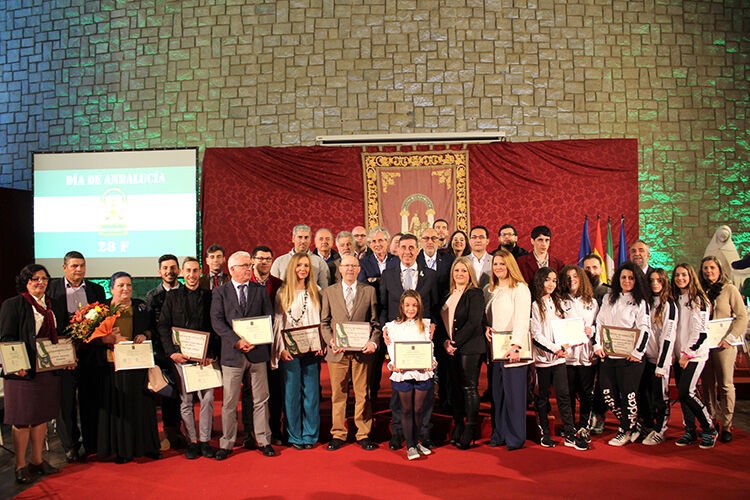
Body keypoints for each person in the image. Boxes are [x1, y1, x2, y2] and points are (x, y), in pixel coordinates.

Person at [211, 251, 276, 459]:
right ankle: (227, 443)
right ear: (232, 270)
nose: (250, 268)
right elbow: (217, 322)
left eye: (250, 265)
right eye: (245, 265)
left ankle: (263, 440)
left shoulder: (260, 290)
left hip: (257, 353)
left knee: (261, 399)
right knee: (230, 402)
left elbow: (269, 317)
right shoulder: (220, 292)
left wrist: (257, 339)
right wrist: (237, 341)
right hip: (232, 354)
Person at [0, 264, 62, 483]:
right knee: (22, 419)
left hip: (46, 370)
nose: (40, 282)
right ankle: (20, 465)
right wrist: (16, 364)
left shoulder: (52, 305)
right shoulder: (13, 305)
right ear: (25, 282)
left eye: (44, 278)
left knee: (41, 416)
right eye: (35, 279)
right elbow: (6, 338)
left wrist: (66, 359)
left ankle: (37, 460)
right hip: (22, 373)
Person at [379, 234, 439, 449]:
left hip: (422, 337)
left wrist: (434, 324)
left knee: (425, 393)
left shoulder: (430, 275)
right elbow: (383, 307)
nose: (407, 251)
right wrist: (384, 329)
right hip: (397, 339)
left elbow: (435, 305)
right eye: (403, 247)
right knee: (400, 391)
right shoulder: (388, 275)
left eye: (412, 247)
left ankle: (424, 434)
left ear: (418, 249)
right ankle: (398, 433)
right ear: (397, 250)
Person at [47, 250, 107, 462]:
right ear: (64, 268)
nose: (78, 270)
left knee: (91, 400)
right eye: (74, 266)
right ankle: (70, 445)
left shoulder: (96, 289)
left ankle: (92, 443)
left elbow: (103, 323)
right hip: (63, 356)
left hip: (90, 354)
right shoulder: (51, 289)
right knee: (66, 404)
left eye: (82, 265)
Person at [158, 257, 218, 459]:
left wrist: (211, 354)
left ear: (200, 272)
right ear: (182, 273)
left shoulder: (210, 296)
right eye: (188, 271)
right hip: (181, 358)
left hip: (205, 359)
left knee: (208, 399)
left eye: (195, 270)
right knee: (186, 401)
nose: (192, 275)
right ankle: (192, 442)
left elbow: (215, 327)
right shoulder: (172, 297)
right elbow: (163, 326)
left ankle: (205, 441)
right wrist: (172, 353)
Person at [97, 271, 161, 463]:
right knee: (121, 407)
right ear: (111, 289)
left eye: (129, 285)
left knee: (143, 406)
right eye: (121, 285)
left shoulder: (141, 306)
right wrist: (104, 339)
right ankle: (123, 450)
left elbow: (153, 329)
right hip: (113, 367)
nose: (126, 289)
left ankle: (147, 447)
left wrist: (145, 335)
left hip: (138, 365)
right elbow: (90, 338)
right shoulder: (101, 310)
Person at [320, 255, 380, 451]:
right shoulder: (329, 292)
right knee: (338, 394)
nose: (350, 269)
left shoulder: (369, 291)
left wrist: (372, 341)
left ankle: (363, 433)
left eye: (354, 266)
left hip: (361, 353)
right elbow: (324, 323)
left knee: (363, 393)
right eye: (346, 266)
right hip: (338, 352)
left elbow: (375, 323)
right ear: (340, 269)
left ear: (359, 269)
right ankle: (338, 433)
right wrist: (331, 341)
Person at [529, 267, 589, 450]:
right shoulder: (534, 304)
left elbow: (567, 328)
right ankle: (545, 433)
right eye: (547, 280)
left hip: (560, 359)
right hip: (542, 360)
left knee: (564, 396)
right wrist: (555, 349)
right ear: (540, 281)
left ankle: (570, 434)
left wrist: (569, 345)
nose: (551, 284)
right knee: (542, 397)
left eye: (554, 280)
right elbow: (536, 335)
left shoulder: (559, 303)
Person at [593, 262, 650, 446]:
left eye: (631, 278)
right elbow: (600, 323)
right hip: (608, 355)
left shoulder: (641, 302)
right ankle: (633, 424)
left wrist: (637, 351)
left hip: (630, 358)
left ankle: (625, 430)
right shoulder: (608, 298)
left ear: (637, 280)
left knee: (628, 396)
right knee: (607, 394)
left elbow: (644, 329)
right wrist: (597, 345)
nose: (626, 281)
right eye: (623, 277)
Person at [272, 253, 324, 450]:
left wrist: (320, 343)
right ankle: (294, 435)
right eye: (299, 265)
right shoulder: (282, 292)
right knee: (291, 394)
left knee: (311, 393)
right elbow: (278, 322)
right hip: (290, 350)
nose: (303, 269)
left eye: (306, 266)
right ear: (292, 268)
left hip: (311, 349)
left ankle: (310, 434)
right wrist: (281, 349)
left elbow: (321, 320)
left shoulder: (316, 290)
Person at [483, 249, 532, 451]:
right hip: (496, 351)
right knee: (499, 395)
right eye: (495, 264)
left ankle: (515, 437)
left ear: (510, 265)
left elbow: (522, 320)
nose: (498, 267)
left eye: (502, 264)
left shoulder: (520, 288)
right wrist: (487, 328)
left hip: (514, 351)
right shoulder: (492, 289)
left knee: (514, 396)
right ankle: (500, 434)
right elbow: (491, 318)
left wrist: (516, 346)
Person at [436, 256, 485, 449]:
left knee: (469, 387)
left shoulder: (475, 293)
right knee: (455, 388)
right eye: (456, 270)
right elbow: (442, 324)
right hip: (451, 349)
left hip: (469, 348)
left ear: (470, 273)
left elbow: (474, 322)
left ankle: (470, 428)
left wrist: (455, 343)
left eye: (464, 270)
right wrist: (445, 342)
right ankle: (458, 424)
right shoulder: (447, 294)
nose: (460, 274)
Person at [699, 255, 748, 443]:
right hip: (705, 345)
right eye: (705, 268)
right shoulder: (699, 290)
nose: (708, 271)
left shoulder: (729, 289)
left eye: (712, 267)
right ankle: (711, 419)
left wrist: (730, 338)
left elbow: (742, 316)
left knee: (726, 384)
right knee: (707, 384)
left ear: (719, 270)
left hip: (724, 344)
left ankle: (727, 423)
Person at [671, 263, 717, 449]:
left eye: (684, 275)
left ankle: (709, 427)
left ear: (691, 276)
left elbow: (701, 332)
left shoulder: (699, 299)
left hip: (694, 355)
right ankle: (689, 430)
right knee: (683, 395)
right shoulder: (675, 298)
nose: (680, 278)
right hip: (678, 355)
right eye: (677, 275)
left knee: (686, 392)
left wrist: (687, 354)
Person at [385, 290, 435, 460]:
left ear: (419, 307)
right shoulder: (393, 327)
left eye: (414, 305)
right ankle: (410, 445)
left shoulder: (426, 325)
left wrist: (432, 361)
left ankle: (417, 441)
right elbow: (392, 349)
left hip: (421, 373)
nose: (411, 309)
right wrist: (393, 364)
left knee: (419, 409)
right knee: (406, 409)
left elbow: (429, 346)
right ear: (401, 306)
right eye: (407, 305)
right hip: (403, 373)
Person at [145, 254, 186, 450]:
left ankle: (192, 433)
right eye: (165, 268)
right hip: (163, 354)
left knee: (187, 395)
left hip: (188, 352)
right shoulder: (152, 296)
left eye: (173, 267)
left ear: (179, 270)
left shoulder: (187, 292)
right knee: (169, 395)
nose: (169, 271)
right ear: (159, 272)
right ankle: (172, 433)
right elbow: (152, 327)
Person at [248, 245, 285, 446]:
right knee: (251, 392)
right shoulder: (246, 283)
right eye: (260, 258)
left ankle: (275, 430)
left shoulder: (279, 284)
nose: (264, 262)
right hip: (251, 346)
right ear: (252, 260)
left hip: (273, 346)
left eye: (267, 259)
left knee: (275, 390)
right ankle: (250, 433)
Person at [558, 265, 599, 439]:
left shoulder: (592, 302)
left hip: (586, 355)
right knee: (567, 393)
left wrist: (593, 330)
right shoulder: (560, 301)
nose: (572, 280)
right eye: (568, 277)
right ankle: (569, 426)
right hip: (568, 356)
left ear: (581, 278)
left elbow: (599, 324)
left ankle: (584, 425)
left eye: (575, 276)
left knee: (586, 393)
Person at [639, 268, 677, 446]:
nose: (655, 284)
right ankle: (648, 425)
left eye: (659, 280)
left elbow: (668, 336)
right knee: (645, 395)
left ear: (664, 282)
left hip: (661, 360)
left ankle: (661, 430)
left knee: (660, 397)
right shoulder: (646, 302)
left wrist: (662, 365)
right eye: (652, 280)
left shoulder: (669, 305)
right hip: (646, 357)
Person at [270, 224, 330, 289]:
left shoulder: (320, 263)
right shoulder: (279, 262)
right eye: (300, 237)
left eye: (306, 237)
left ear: (310, 240)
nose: (303, 241)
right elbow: (273, 288)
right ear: (293, 239)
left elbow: (325, 290)